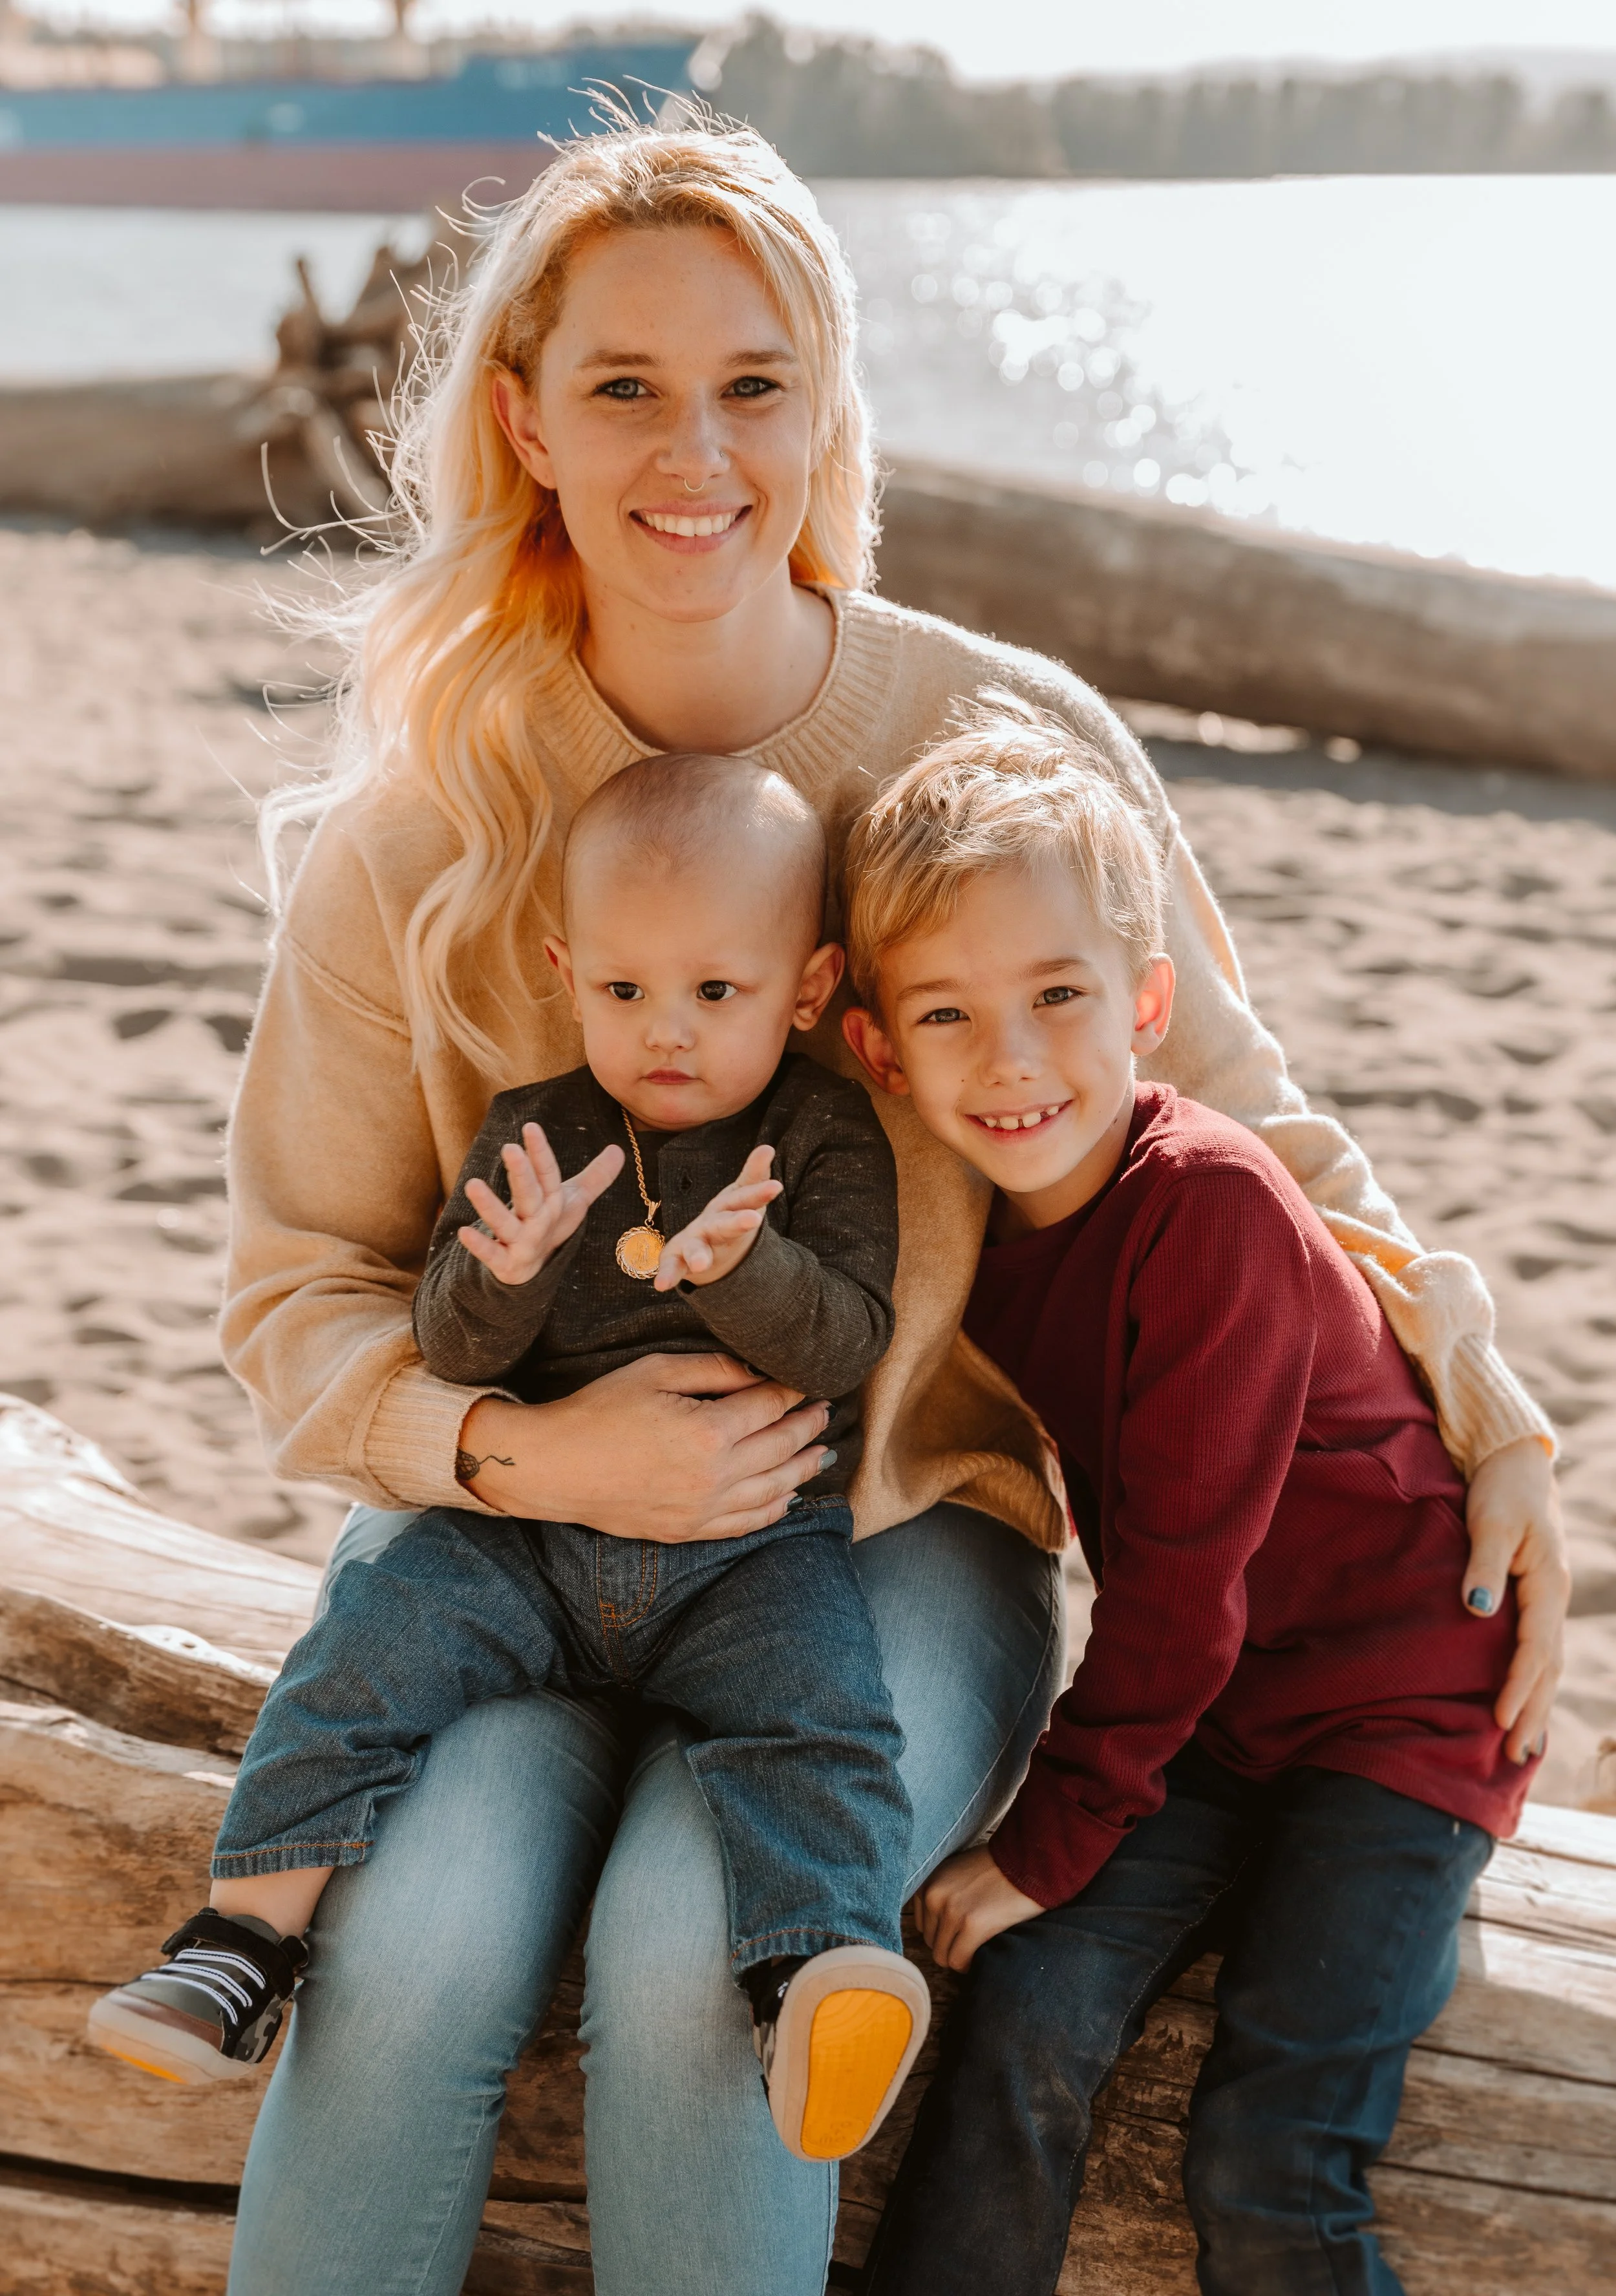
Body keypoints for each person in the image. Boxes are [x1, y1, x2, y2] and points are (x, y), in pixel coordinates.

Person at [215, 116, 1564, 2296]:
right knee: (410, 1933)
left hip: (896, 1536)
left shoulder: (996, 737)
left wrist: (1483, 1385)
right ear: (522, 422)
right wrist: (529, 1446)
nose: (697, 450)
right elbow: (298, 1295)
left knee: (698, 1947)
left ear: (826, 408)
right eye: (626, 385)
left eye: (756, 382)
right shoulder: (418, 834)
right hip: (500, 1533)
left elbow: (1254, 1121)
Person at [87, 751, 929, 2164]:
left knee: (821, 1711)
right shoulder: (536, 1133)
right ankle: (241, 1944)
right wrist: (507, 1270)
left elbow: (843, 1341)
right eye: (623, 991)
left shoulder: (818, 1130)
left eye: (714, 993)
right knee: (368, 1637)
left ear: (806, 984)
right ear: (565, 970)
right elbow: (456, 1356)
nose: (665, 1031)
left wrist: (747, 1269)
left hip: (746, 1554)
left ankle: (811, 1975)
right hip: (522, 1545)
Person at [837, 697, 1531, 2295]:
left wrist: (1052, 1835)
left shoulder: (1205, 1204)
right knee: (1020, 2009)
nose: (1011, 1060)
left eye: (1058, 994)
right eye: (945, 1016)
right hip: (1216, 1715)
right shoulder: (973, 1226)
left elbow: (1180, 1585)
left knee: (1266, 2150)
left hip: (1398, 1710)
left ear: (1148, 1002)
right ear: (874, 1046)